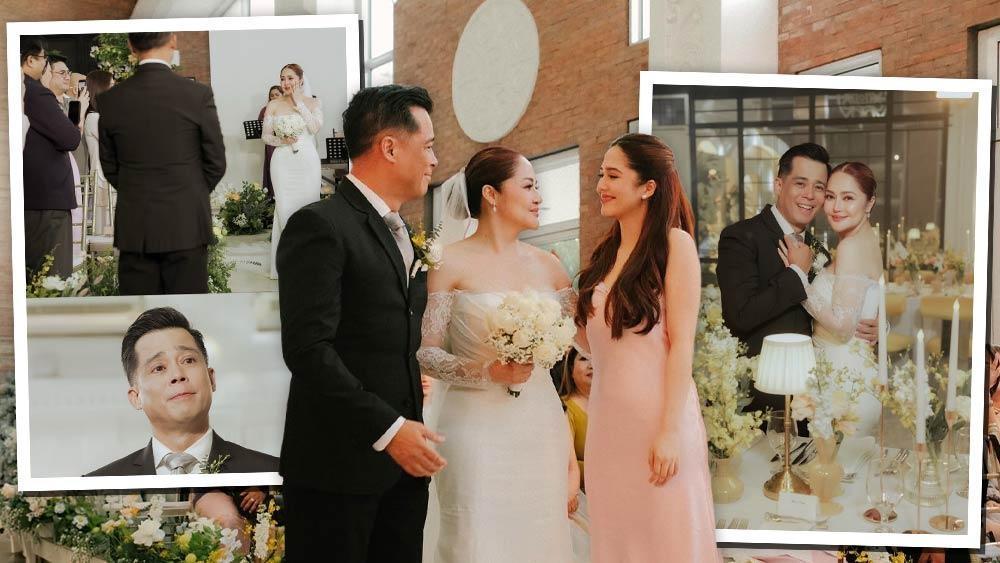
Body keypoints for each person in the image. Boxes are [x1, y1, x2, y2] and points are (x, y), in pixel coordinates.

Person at [276, 85, 441, 563]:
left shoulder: (403, 232)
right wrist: (390, 429)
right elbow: (308, 349)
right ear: (390, 147)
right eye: (428, 145)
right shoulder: (321, 225)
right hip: (337, 472)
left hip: (402, 473)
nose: (434, 159)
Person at [417, 146, 577, 562]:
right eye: (528, 186)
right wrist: (487, 371)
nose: (539, 197)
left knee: (540, 539)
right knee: (476, 538)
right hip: (475, 429)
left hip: (540, 426)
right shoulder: (448, 262)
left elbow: (583, 340)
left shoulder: (551, 266)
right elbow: (428, 354)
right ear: (491, 194)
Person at [575, 133, 719, 562]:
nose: (601, 185)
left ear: (648, 187)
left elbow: (681, 345)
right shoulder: (604, 256)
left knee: (667, 542)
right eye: (601, 175)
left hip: (659, 423)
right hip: (608, 428)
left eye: (613, 175)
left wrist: (669, 431)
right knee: (618, 543)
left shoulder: (675, 245)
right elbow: (596, 343)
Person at [716, 143, 878, 426]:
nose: (810, 195)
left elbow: (837, 307)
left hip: (816, 396)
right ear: (779, 185)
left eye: (819, 188)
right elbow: (739, 316)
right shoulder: (741, 237)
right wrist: (795, 274)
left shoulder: (819, 249)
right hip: (765, 397)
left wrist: (873, 327)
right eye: (800, 183)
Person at [98, 32, 226, 295]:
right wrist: (190, 193)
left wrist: (136, 190)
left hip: (136, 227)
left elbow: (109, 165)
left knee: (140, 315)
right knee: (187, 312)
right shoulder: (196, 94)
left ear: (131, 46)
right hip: (186, 225)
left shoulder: (111, 100)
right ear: (173, 41)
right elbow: (216, 161)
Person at [85, 307, 278, 477]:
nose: (177, 375)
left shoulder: (272, 472)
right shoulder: (99, 485)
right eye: (159, 368)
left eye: (188, 360)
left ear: (211, 378)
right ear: (136, 398)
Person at [777, 161, 883, 435]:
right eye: (831, 196)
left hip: (842, 383)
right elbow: (866, 303)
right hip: (857, 375)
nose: (836, 207)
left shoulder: (850, 247)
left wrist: (799, 276)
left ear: (869, 202)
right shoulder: (869, 240)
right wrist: (881, 326)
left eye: (848, 198)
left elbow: (843, 326)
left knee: (833, 460)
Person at [21, 36, 81, 280]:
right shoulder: (35, 92)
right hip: (46, 201)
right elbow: (70, 138)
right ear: (30, 60)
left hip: (35, 197)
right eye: (44, 60)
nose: (45, 65)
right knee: (52, 276)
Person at [263, 64, 323, 279]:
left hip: (307, 162)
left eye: (290, 78)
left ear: (300, 80)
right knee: (284, 209)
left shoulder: (313, 102)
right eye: (282, 78)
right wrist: (282, 140)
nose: (285, 82)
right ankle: (286, 265)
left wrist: (299, 104)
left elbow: (315, 128)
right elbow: (265, 136)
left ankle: (308, 262)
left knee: (309, 208)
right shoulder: (273, 105)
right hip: (282, 162)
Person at [83, 70, 114, 236]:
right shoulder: (94, 118)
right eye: (112, 86)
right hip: (103, 179)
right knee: (104, 228)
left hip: (110, 179)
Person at [560, 345, 591, 492]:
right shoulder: (564, 407)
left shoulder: (614, 406)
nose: (592, 365)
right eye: (584, 359)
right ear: (571, 369)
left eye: (597, 359)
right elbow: (563, 462)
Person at [258, 84, 282, 201]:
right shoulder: (265, 109)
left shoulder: (287, 108)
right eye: (272, 95)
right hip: (271, 145)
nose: (274, 97)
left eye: (277, 94)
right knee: (271, 169)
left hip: (285, 144)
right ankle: (271, 197)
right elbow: (260, 126)